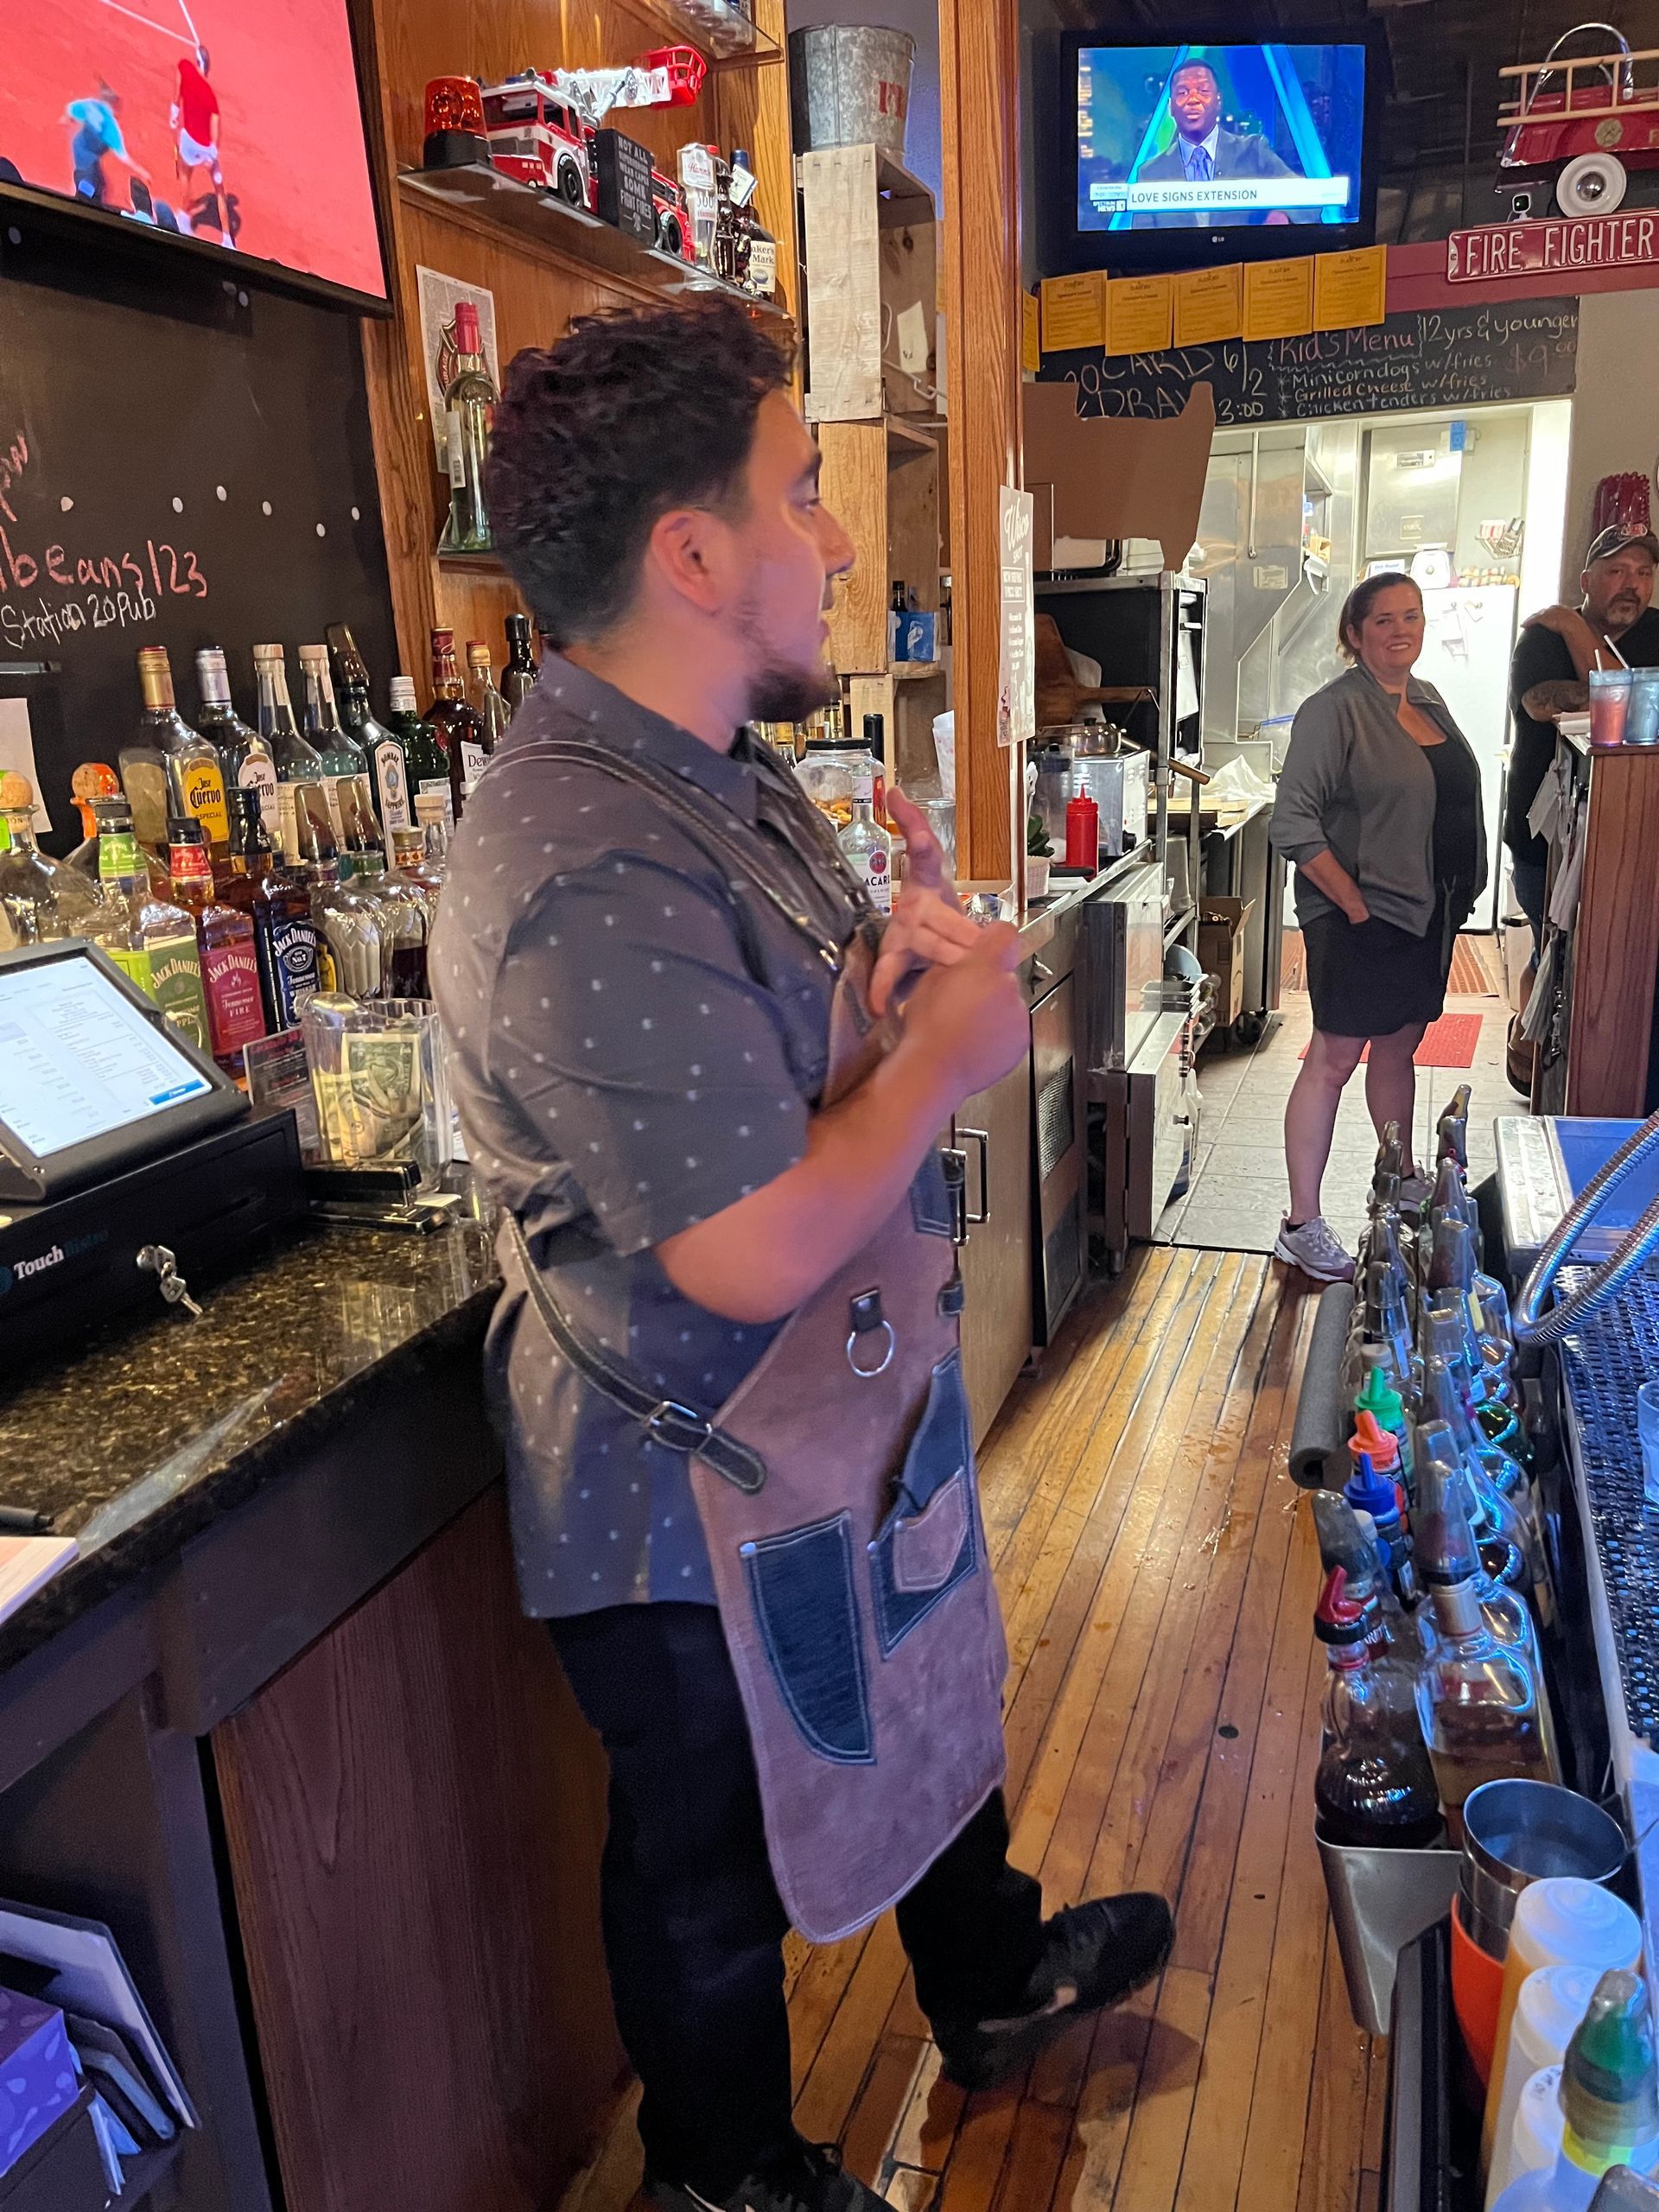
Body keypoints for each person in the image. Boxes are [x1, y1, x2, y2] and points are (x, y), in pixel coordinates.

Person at [430, 299, 1173, 2212]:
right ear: (691, 552)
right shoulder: (583, 850)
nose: (842, 538)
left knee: (927, 1694)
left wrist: (875, 988)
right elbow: (748, 1238)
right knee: (703, 1856)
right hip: (683, 1466)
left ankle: (989, 1983)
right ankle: (727, 2171)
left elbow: (755, 1081)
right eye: (809, 489)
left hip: (825, 1420)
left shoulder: (718, 776)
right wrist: (940, 1049)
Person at [1268, 574, 1487, 1282]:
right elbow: (1293, 823)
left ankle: (1397, 1178)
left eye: (1413, 617)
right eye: (1385, 619)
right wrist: (1355, 905)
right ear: (1356, 634)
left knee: (1399, 1047)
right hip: (1359, 915)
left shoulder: (1428, 700)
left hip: (1427, 912)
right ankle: (1301, 1223)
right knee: (1333, 1058)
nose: (1402, 629)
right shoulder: (1333, 711)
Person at [1505, 524, 1659, 958]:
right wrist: (1629, 696)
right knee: (1550, 956)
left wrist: (1575, 628)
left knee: (1618, 967)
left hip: (1634, 842)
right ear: (1586, 580)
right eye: (1617, 570)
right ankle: (1529, 1027)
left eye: (1644, 572)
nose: (1632, 584)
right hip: (1546, 841)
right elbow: (1539, 703)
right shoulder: (1542, 636)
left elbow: (1628, 710)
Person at [1132, 57, 1303, 229]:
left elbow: (1307, 197)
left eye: (1203, 90)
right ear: (1170, 107)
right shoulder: (1150, 173)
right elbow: (1142, 243)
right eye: (1183, 92)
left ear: (1219, 100)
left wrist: (1281, 214)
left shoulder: (1253, 152)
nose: (1193, 100)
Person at [172, 46, 232, 245]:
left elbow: (177, 92)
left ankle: (184, 217)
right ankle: (227, 239)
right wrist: (210, 159)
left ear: (197, 62)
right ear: (208, 68)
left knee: (185, 175)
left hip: (188, 143)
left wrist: (173, 115)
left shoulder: (185, 68)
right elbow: (216, 133)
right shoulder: (211, 98)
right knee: (220, 193)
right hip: (206, 150)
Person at [63, 86, 149, 207]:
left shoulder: (90, 105)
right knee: (87, 194)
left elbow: (70, 109)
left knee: (98, 183)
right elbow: (123, 157)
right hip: (86, 167)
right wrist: (142, 171)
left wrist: (67, 119)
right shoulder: (110, 128)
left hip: (80, 150)